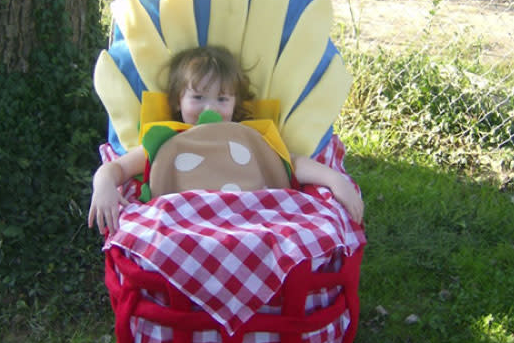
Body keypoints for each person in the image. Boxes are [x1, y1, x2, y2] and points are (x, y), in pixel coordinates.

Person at [88, 45, 364, 236]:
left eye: (222, 99)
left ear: (235, 103)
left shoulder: (249, 136)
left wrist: (335, 179)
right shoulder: (167, 140)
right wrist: (103, 186)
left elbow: (291, 163)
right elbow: (119, 168)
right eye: (198, 97)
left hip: (253, 221)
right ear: (177, 100)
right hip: (184, 224)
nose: (210, 109)